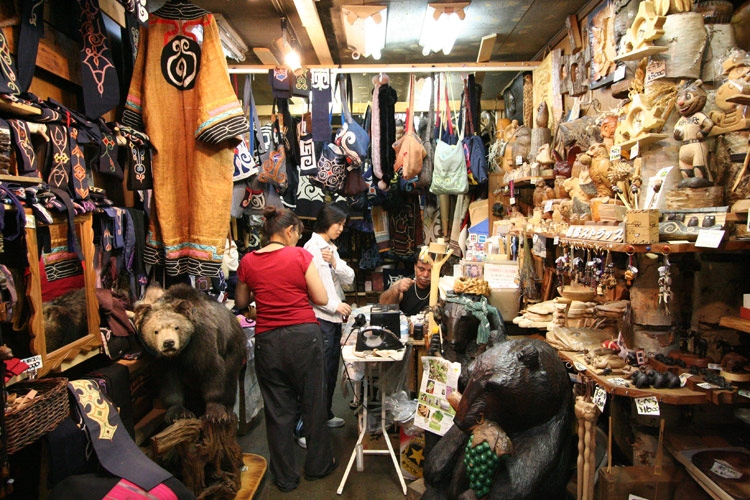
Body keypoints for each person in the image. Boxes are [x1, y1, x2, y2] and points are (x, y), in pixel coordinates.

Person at [235, 207, 337, 493]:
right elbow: (321, 298)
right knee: (313, 403)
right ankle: (318, 466)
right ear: (289, 231)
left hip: (268, 341)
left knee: (278, 411)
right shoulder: (300, 256)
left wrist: (262, 295)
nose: (297, 239)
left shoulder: (248, 261)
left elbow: (241, 302)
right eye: (297, 234)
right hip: (303, 337)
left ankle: (285, 477)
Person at [303, 204, 354, 430]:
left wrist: (335, 262)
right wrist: (336, 306)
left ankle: (325, 414)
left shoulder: (330, 248)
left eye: (343, 225)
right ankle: (307, 426)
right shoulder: (312, 248)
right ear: (326, 222)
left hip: (332, 320)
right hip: (321, 319)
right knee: (318, 374)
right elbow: (312, 291)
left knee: (330, 369)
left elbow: (349, 278)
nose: (341, 229)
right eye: (338, 224)